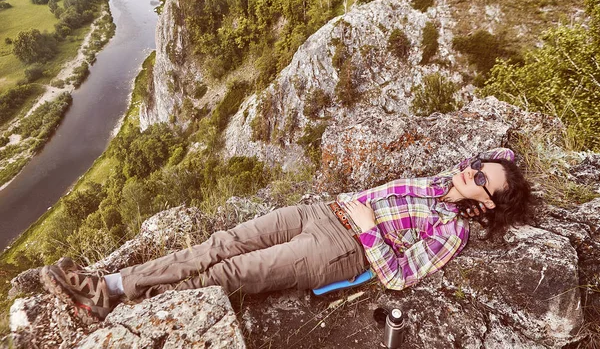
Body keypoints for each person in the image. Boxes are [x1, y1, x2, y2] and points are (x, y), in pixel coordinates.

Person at [40, 147, 531, 324]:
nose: (470, 172)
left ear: (489, 204)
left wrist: (369, 233)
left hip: (342, 248)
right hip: (319, 212)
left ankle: (126, 311)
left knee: (229, 273)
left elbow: (401, 277)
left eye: (483, 179)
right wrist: (494, 166)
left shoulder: (454, 231)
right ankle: (111, 287)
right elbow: (502, 157)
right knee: (219, 243)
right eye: (475, 165)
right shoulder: (444, 182)